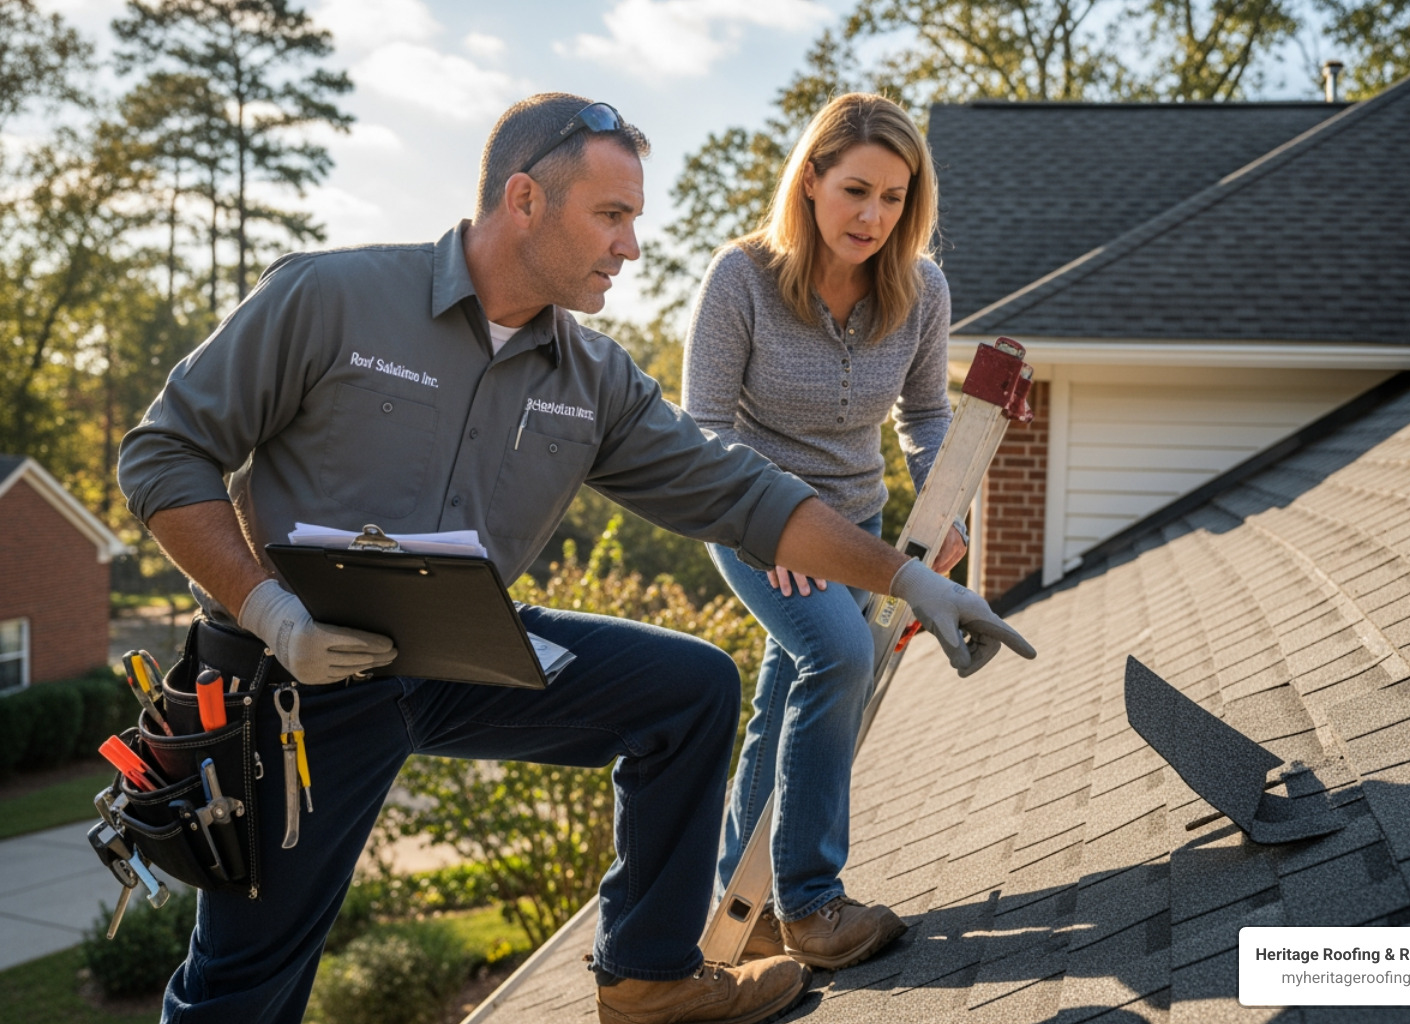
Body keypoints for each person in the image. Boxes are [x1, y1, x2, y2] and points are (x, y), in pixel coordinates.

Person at [118, 92, 1034, 1024]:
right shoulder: (331, 297)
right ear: (524, 199)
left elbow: (738, 490)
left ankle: (648, 977)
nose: (630, 246)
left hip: (453, 651)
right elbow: (162, 454)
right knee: (242, 986)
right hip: (294, 682)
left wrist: (903, 573)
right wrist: (269, 608)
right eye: (612, 215)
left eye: (632, 219)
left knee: (689, 690)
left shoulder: (593, 380)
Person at [682, 93, 974, 970]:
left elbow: (923, 414)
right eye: (855, 191)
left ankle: (747, 903)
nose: (874, 217)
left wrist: (944, 504)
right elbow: (703, 430)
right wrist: (776, 531)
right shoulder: (741, 277)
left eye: (894, 198)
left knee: (786, 695)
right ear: (809, 180)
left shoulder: (919, 288)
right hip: (748, 516)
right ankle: (811, 905)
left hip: (859, 522)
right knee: (840, 658)